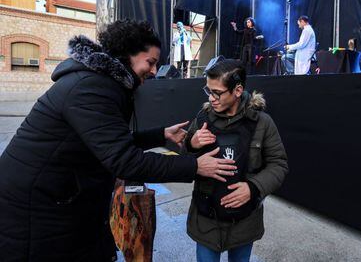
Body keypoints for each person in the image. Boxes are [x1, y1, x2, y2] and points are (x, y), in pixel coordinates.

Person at [0, 19, 237, 262]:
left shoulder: (99, 82)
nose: (155, 71)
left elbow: (109, 142)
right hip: (37, 207)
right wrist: (195, 166)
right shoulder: (91, 88)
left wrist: (160, 134)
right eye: (151, 62)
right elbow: (126, 161)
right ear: (127, 54)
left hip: (61, 198)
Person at [183, 59, 289, 262]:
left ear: (238, 90)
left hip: (244, 221)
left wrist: (254, 188)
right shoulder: (202, 119)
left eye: (217, 92)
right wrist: (191, 144)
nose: (212, 98)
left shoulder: (262, 123)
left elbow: (279, 164)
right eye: (208, 91)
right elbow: (183, 161)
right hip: (206, 219)